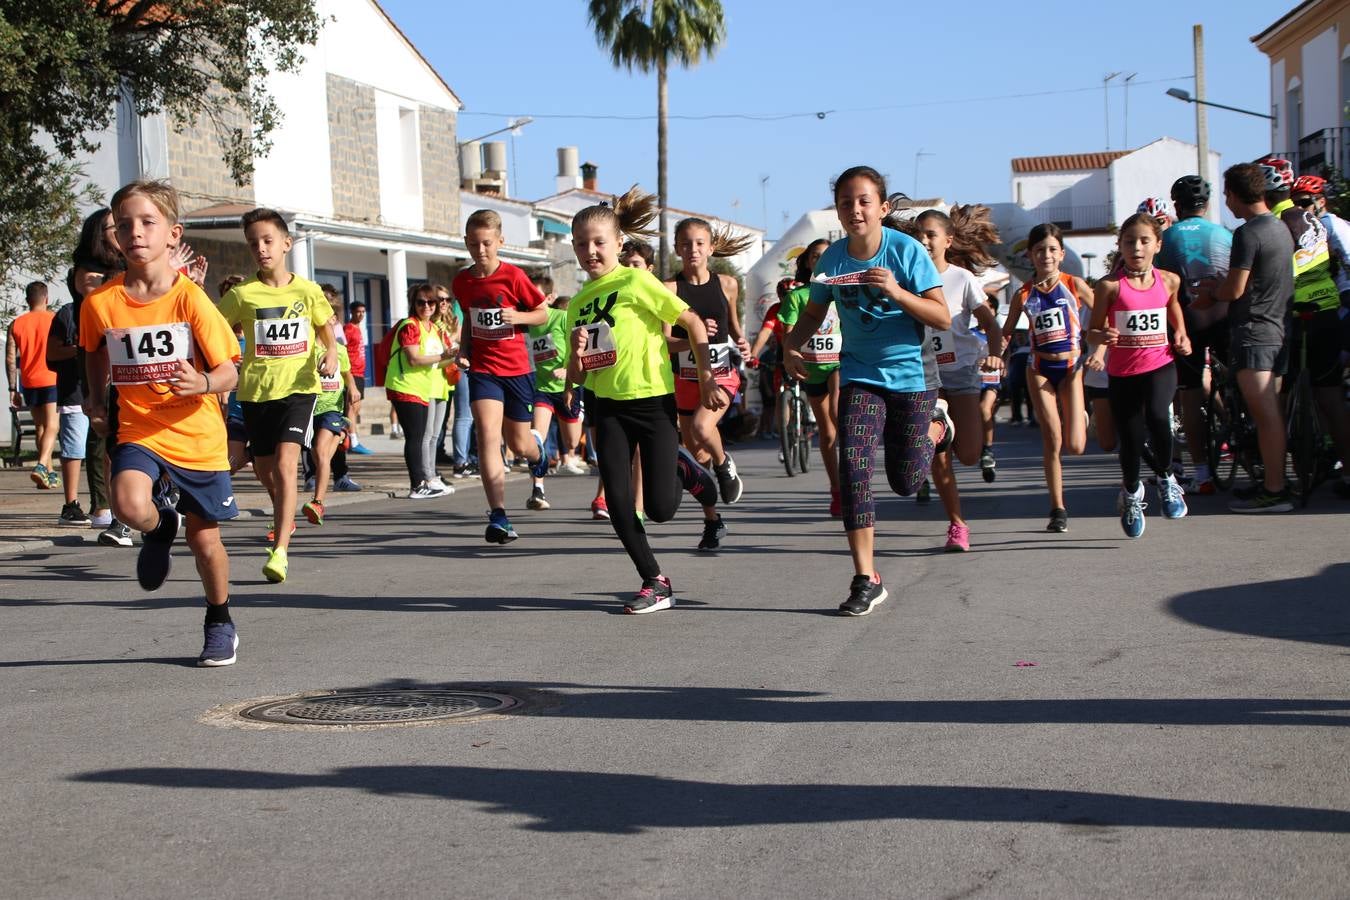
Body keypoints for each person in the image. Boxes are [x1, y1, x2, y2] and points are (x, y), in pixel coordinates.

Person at [79, 179, 242, 666]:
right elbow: (93, 352)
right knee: (128, 505)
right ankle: (157, 524)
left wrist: (204, 384)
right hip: (140, 428)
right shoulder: (101, 303)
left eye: (147, 223)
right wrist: (96, 399)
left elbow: (230, 369)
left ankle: (219, 619)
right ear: (113, 236)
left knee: (205, 540)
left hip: (197, 433)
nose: (135, 233)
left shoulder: (190, 299)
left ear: (173, 234)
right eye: (123, 225)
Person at [783, 166, 953, 616]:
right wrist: (791, 346)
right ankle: (865, 577)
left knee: (905, 481)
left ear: (881, 207)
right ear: (837, 211)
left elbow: (941, 318)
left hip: (914, 378)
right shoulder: (832, 260)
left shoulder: (907, 251)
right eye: (845, 202)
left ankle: (937, 429)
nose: (854, 210)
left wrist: (896, 291)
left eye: (863, 201)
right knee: (853, 467)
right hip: (859, 376)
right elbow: (813, 314)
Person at [564, 186, 722, 613]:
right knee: (617, 501)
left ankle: (687, 469)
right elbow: (577, 373)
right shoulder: (577, 303)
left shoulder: (636, 280)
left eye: (599, 242)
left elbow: (689, 320)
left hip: (652, 401)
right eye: (581, 244)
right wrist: (576, 358)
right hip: (606, 407)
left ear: (618, 244)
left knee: (660, 509)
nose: (590, 251)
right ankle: (655, 580)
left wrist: (706, 376)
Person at [217, 208, 340, 582]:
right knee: (265, 470)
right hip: (256, 392)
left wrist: (331, 352)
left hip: (299, 390)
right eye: (253, 243)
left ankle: (280, 549)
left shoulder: (307, 290)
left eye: (268, 240)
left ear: (286, 243)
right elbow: (214, 330)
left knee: (287, 464)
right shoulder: (242, 294)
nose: (261, 248)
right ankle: (284, 516)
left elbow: (325, 328)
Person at [902, 206, 1004, 551]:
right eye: (919, 234)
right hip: (925, 378)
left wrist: (995, 355)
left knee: (971, 455)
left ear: (948, 240)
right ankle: (957, 524)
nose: (924, 240)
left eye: (931, 234)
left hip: (960, 372)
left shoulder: (962, 279)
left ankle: (942, 429)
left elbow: (990, 324)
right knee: (939, 455)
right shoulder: (906, 278)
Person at [1087, 213, 1190, 538]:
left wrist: (1182, 334)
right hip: (1123, 373)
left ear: (1157, 245)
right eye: (1130, 241)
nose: (1137, 247)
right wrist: (1101, 342)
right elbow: (1093, 330)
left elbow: (1172, 306)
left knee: (1160, 417)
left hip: (1161, 364)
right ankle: (1131, 493)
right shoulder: (1109, 286)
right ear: (1120, 246)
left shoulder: (1169, 279)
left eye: (1144, 240)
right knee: (1130, 440)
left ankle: (1166, 479)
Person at [452, 210, 550, 542]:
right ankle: (499, 515)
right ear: (466, 243)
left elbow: (542, 313)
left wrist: (517, 314)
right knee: (487, 436)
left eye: (487, 244)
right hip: (484, 370)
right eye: (475, 244)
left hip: (519, 369)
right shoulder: (462, 282)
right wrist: (464, 348)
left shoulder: (514, 276)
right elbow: (468, 317)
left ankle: (538, 453)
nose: (481, 251)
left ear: (500, 242)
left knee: (519, 444)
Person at [1211, 163, 1296, 512]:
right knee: (1271, 412)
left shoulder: (1248, 234)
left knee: (1266, 416)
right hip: (1277, 328)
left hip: (1254, 332)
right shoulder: (1279, 227)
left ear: (1232, 194)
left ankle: (1274, 490)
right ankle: (1273, 482)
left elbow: (1234, 288)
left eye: (1226, 194)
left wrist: (1211, 289)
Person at [665, 218, 752, 549]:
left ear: (711, 248)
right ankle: (712, 521)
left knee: (703, 429)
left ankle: (724, 463)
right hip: (684, 380)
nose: (693, 250)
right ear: (676, 249)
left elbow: (732, 323)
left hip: (721, 374)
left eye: (700, 243)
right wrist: (694, 337)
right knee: (696, 455)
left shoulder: (727, 283)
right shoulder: (669, 289)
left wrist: (742, 342)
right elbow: (664, 342)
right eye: (686, 244)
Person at [1001, 224, 1094, 532]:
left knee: (1077, 446)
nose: (1046, 255)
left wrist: (1103, 342)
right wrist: (993, 354)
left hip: (1070, 369)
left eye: (1052, 249)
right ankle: (1058, 509)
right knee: (1052, 439)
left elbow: (1104, 309)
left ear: (1062, 254)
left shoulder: (1074, 284)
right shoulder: (1023, 294)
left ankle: (1078, 415)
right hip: (1039, 369)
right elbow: (1005, 334)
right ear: (1030, 255)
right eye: (1040, 250)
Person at [1158, 175, 1232, 495]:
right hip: (1223, 315)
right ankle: (1241, 433)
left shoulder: (1166, 238)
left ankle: (1201, 472)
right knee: (1236, 379)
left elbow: (1158, 286)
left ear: (1176, 205)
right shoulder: (1223, 233)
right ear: (1208, 204)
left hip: (1185, 322)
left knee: (1188, 393)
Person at [1281, 174, 1350, 496]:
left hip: (1331, 307)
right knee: (1310, 391)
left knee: (1330, 394)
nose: (1301, 206)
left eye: (1307, 201)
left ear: (1322, 200)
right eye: (1296, 201)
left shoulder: (1331, 225)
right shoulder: (1293, 223)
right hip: (1311, 309)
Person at [778, 239, 847, 514]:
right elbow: (790, 335)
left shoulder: (844, 290)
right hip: (812, 369)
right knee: (827, 434)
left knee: (836, 410)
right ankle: (837, 489)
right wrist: (790, 355)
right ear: (807, 263)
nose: (820, 261)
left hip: (841, 364)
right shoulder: (798, 297)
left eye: (825, 256)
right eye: (815, 257)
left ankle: (854, 479)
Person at [385, 283, 458, 498]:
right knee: (417, 437)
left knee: (425, 436)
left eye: (431, 302)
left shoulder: (434, 328)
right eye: (421, 302)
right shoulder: (410, 325)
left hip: (422, 387)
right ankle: (418, 484)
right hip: (405, 385)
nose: (426, 306)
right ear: (413, 304)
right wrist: (445, 356)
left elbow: (438, 362)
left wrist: (458, 358)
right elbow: (414, 359)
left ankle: (426, 480)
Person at [304, 286, 362, 523]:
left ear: (333, 319)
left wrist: (354, 389)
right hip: (310, 406)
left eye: (326, 315)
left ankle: (317, 502)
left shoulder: (338, 349)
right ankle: (340, 437)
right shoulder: (307, 348)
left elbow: (347, 374)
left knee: (320, 451)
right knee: (319, 455)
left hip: (331, 407)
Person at [526, 288, 587, 511]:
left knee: (571, 442)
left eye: (536, 297)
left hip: (568, 387)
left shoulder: (562, 317)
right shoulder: (529, 323)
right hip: (542, 388)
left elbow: (578, 348)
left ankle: (567, 457)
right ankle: (537, 489)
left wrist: (566, 369)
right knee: (537, 439)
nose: (530, 302)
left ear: (549, 298)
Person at [7, 282, 60, 490]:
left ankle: (49, 474)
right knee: (52, 426)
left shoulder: (17, 324)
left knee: (40, 427)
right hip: (52, 378)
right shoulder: (55, 320)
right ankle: (41, 465)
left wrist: (13, 388)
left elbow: (11, 359)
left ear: (28, 300)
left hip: (29, 381)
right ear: (46, 298)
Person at [343, 299, 372, 455]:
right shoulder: (348, 329)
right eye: (358, 311)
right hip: (352, 373)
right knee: (352, 408)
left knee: (356, 408)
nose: (360, 314)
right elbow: (342, 350)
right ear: (351, 312)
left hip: (360, 373)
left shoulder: (359, 329)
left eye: (363, 312)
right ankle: (353, 441)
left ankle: (348, 439)